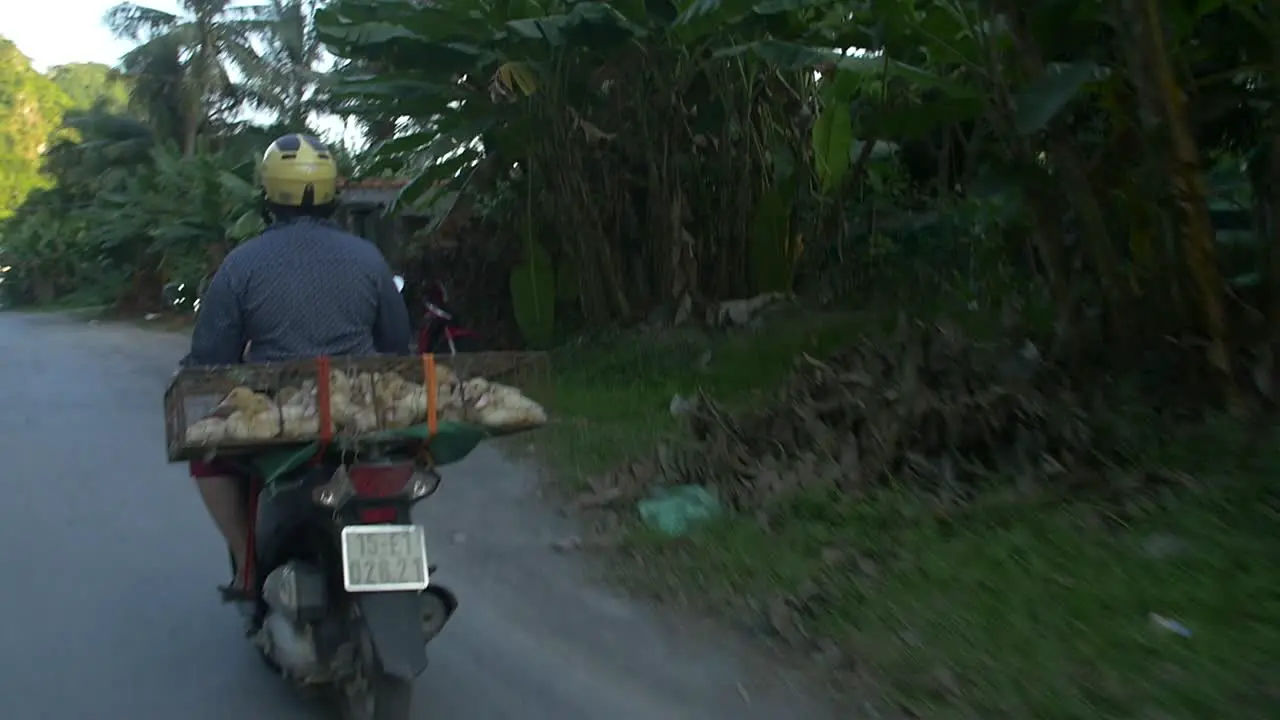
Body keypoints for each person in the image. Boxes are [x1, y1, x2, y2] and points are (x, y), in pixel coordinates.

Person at [182, 133, 412, 600]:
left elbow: (211, 359)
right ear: (332, 196)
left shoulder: (241, 265)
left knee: (207, 460)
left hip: (280, 418)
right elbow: (395, 345)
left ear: (267, 195)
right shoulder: (368, 258)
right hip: (361, 412)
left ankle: (247, 565)